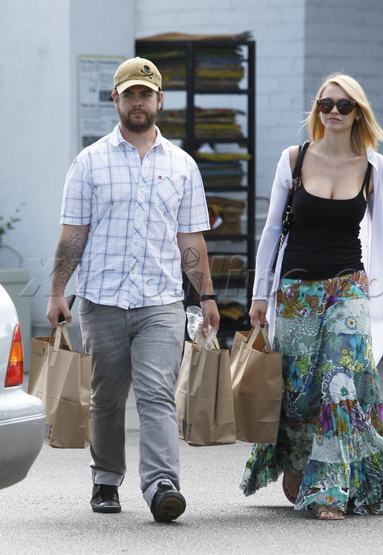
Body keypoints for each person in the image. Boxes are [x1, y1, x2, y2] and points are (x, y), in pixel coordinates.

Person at [46, 57, 219, 522]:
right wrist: (57, 291)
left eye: (146, 94)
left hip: (161, 302)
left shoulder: (182, 165)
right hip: (101, 301)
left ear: (159, 100)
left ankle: (162, 484)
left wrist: (206, 296)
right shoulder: (90, 161)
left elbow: (190, 239)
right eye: (130, 94)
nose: (138, 102)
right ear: (115, 99)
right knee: (106, 396)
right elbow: (73, 234)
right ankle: (106, 478)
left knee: (158, 394)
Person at [240, 73, 383, 520]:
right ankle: (300, 466)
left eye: (343, 105)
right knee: (301, 393)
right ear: (317, 110)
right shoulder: (294, 159)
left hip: (349, 289)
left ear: (358, 112)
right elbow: (269, 230)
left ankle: (329, 490)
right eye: (326, 104)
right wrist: (260, 293)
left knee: (342, 385)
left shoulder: (376, 166)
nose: (333, 112)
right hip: (297, 290)